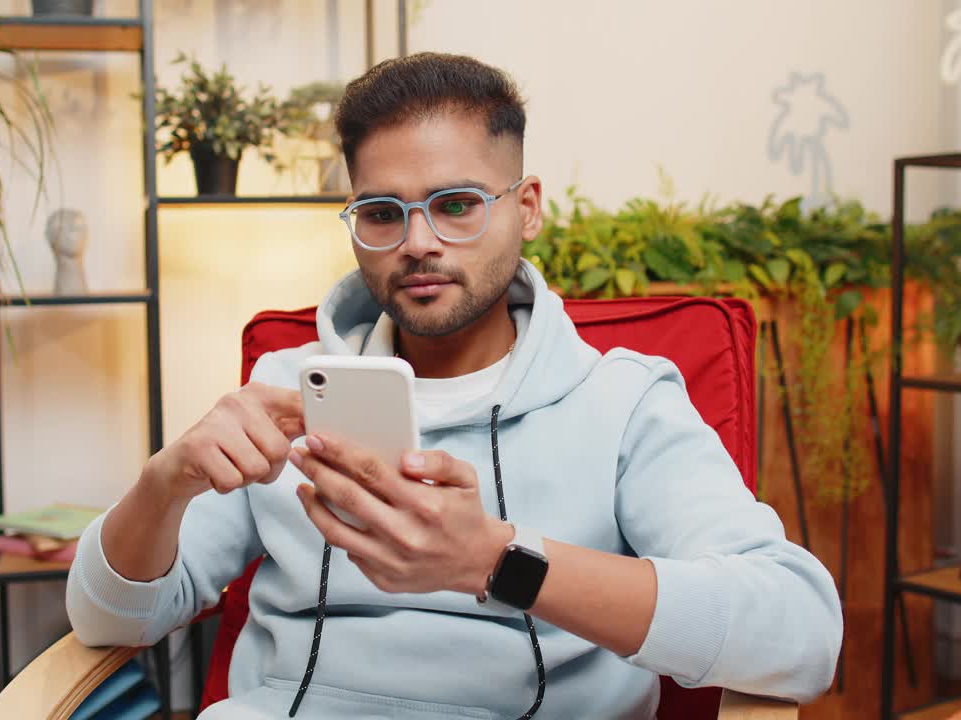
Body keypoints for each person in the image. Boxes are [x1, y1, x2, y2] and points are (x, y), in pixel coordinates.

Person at [67, 52, 842, 720]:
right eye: (381, 212)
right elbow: (108, 621)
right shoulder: (280, 388)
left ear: (527, 208)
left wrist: (497, 561)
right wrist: (162, 487)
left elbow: (799, 631)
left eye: (458, 205)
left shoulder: (626, 400)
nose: (419, 243)